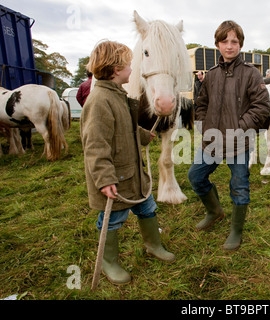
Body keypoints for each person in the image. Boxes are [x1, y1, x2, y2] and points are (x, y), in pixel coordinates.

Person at [80, 40, 175, 285]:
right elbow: (95, 145)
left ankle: (153, 245)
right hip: (115, 180)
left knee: (147, 208)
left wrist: (144, 135)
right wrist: (104, 179)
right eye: (129, 65)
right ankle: (108, 262)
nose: (133, 70)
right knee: (113, 219)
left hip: (134, 174)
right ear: (114, 69)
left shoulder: (118, 96)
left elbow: (125, 127)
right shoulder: (99, 100)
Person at [188, 21, 270, 251]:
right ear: (217, 44)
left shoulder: (251, 73)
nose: (230, 46)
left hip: (238, 142)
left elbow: (261, 107)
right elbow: (201, 103)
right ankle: (214, 212)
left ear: (241, 44)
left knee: (239, 187)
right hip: (211, 140)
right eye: (225, 41)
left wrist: (239, 127)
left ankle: (236, 231)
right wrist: (204, 126)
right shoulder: (211, 75)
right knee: (195, 176)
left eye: (234, 41)